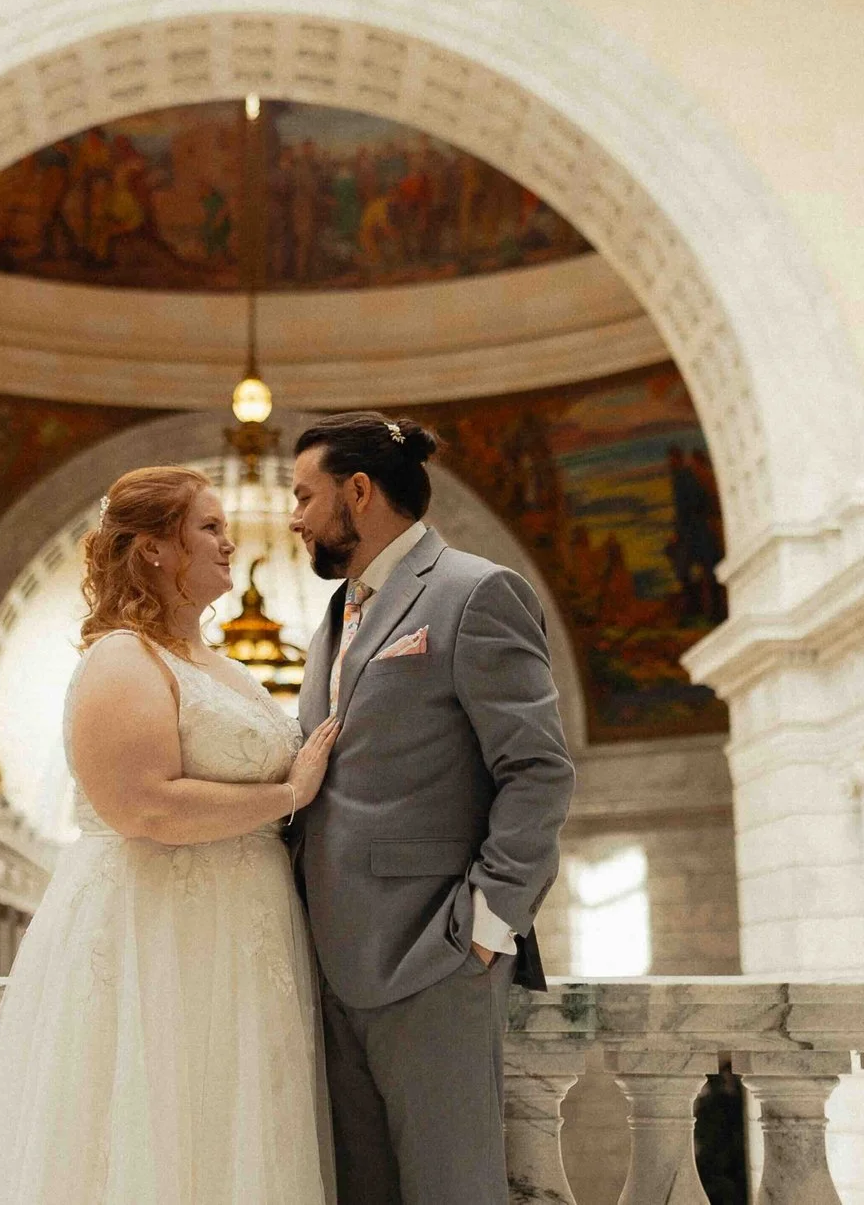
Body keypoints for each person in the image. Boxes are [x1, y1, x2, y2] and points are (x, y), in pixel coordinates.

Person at [0, 465, 342, 1205]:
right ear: (157, 548)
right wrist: (288, 792)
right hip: (158, 932)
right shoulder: (122, 657)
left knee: (237, 1121)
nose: (232, 542)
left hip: (244, 935)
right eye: (210, 527)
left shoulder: (222, 668)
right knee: (152, 1122)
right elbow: (143, 807)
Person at [287, 412, 575, 1205]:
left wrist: (487, 923)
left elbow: (538, 770)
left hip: (435, 960)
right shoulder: (334, 617)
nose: (295, 515)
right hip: (331, 965)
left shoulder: (476, 592)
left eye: (305, 494)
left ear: (359, 490)